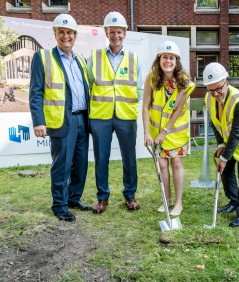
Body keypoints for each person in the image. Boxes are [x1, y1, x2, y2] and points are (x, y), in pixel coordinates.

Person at [29, 14, 91, 222]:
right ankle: (59, 205)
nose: (66, 36)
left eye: (70, 33)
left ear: (75, 35)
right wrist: (38, 121)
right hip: (61, 120)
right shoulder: (43, 57)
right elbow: (36, 92)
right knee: (62, 165)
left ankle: (74, 198)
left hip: (82, 118)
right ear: (55, 34)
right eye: (61, 32)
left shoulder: (81, 59)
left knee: (80, 164)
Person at [88, 11, 143, 213]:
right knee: (101, 159)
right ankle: (102, 197)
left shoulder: (133, 58)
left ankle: (130, 195)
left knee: (129, 158)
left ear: (125, 33)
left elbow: (139, 88)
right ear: (106, 32)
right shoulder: (95, 56)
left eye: (119, 32)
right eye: (112, 32)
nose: (116, 36)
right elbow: (89, 84)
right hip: (100, 116)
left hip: (126, 116)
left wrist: (129, 105)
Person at [203, 62, 239, 227]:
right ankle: (234, 201)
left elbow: (237, 133)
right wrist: (221, 144)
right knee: (227, 172)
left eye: (218, 89)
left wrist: (224, 157)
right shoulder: (209, 98)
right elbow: (215, 123)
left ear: (226, 82)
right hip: (230, 142)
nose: (215, 94)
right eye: (210, 89)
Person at [143, 41, 195, 216]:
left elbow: (178, 110)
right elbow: (145, 106)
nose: (168, 61)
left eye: (171, 58)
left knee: (176, 163)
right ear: (159, 59)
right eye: (165, 57)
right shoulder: (151, 78)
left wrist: (165, 132)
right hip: (157, 133)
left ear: (177, 61)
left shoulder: (183, 82)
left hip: (175, 133)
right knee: (162, 165)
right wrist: (147, 132)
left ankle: (178, 203)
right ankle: (167, 199)